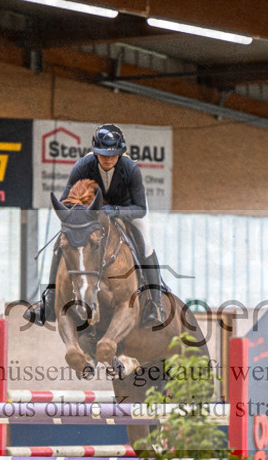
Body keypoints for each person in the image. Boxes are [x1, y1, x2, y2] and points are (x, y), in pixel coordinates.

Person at [24, 123, 166, 328]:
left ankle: (155, 303)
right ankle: (48, 301)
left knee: (146, 244)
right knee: (61, 242)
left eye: (113, 154)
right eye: (103, 154)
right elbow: (66, 201)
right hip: (92, 213)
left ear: (120, 153)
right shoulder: (82, 166)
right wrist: (80, 210)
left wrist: (114, 211)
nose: (108, 159)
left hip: (128, 211)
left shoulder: (131, 169)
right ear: (94, 152)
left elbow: (140, 208)